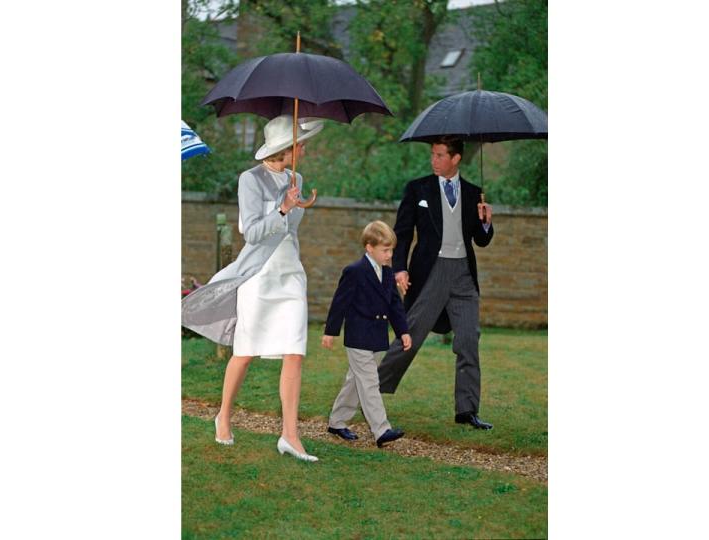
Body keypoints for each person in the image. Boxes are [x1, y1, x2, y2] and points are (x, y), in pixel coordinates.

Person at [181, 115, 325, 462]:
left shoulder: (297, 178)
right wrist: (282, 208)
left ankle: (290, 435)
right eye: (299, 143)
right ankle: (223, 415)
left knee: (295, 351)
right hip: (259, 276)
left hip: (290, 274)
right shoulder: (250, 179)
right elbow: (253, 233)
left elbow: (289, 230)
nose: (304, 148)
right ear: (284, 148)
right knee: (244, 353)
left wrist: (297, 208)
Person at [377, 136, 496, 430]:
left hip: (464, 275)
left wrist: (485, 222)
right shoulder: (418, 188)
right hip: (431, 272)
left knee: (468, 340)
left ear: (455, 159)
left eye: (440, 155)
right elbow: (402, 233)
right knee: (409, 338)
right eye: (432, 154)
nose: (434, 160)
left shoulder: (472, 193)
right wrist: (399, 269)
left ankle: (466, 410)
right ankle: (371, 390)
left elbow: (481, 241)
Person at [322, 221, 413, 448]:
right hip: (358, 337)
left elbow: (394, 306)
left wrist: (403, 331)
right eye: (385, 250)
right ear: (369, 247)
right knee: (370, 382)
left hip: (377, 338)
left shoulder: (388, 272)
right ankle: (381, 430)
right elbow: (339, 303)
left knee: (355, 381)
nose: (390, 255)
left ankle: (337, 421)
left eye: (391, 250)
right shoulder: (354, 271)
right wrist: (330, 332)